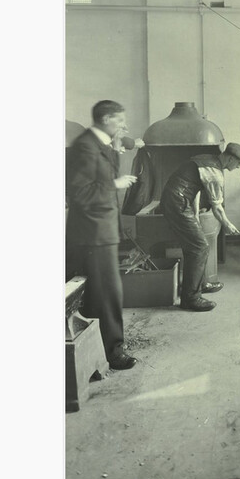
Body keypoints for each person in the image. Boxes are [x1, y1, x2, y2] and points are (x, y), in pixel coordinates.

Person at [65, 100, 139, 370]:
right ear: (107, 118)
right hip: (92, 234)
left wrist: (115, 147)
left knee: (99, 294)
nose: (124, 125)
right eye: (120, 120)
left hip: (100, 231)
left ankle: (99, 351)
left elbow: (98, 178)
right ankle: (113, 353)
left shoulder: (98, 145)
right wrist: (115, 184)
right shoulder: (85, 147)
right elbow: (81, 193)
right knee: (108, 294)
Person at [160, 142, 240, 312]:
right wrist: (227, 225)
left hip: (176, 198)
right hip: (177, 202)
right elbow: (217, 207)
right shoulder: (215, 173)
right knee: (200, 247)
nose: (238, 167)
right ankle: (191, 299)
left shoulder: (207, 160)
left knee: (193, 246)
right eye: (238, 163)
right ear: (230, 158)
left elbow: (195, 189)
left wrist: (194, 214)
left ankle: (200, 284)